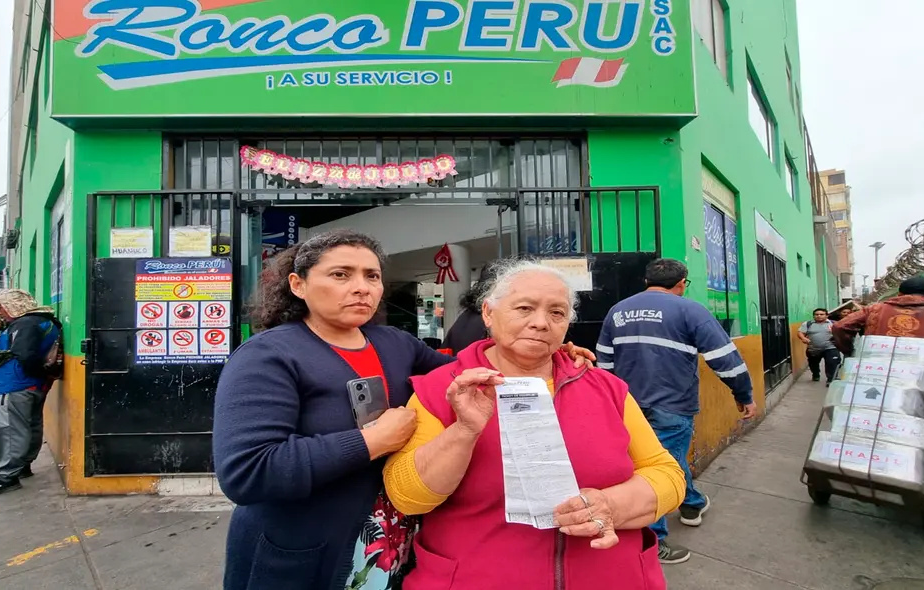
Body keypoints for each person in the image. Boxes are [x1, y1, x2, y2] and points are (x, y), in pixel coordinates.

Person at [212, 230, 595, 590]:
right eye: (341, 274)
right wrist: (370, 441)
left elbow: (469, 370)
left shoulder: (393, 343)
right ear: (298, 285)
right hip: (299, 553)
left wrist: (545, 351)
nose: (361, 287)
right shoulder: (268, 357)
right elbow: (248, 471)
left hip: (390, 547)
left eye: (372, 276)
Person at [383, 259, 684, 589]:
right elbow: (407, 496)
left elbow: (667, 474)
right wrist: (464, 432)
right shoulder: (444, 388)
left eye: (557, 313)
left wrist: (611, 505)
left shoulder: (605, 387)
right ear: (488, 313)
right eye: (524, 308)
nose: (541, 323)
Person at [594, 258, 756, 565]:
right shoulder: (690, 310)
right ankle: (654, 541)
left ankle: (691, 502)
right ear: (681, 283)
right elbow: (724, 357)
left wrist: (610, 402)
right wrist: (743, 395)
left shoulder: (618, 311)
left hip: (628, 405)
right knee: (661, 467)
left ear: (647, 281)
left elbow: (604, 362)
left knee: (659, 460)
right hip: (672, 404)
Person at [0, 290, 62, 502]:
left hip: (16, 385)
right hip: (32, 386)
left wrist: (35, 374)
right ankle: (21, 466)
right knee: (30, 425)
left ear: (14, 305)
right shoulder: (45, 322)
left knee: (8, 430)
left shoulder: (25, 324)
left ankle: (4, 476)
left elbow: (25, 355)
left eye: (1, 308)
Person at [832, 276, 924, 356]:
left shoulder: (875, 309)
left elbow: (839, 326)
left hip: (878, 366)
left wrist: (850, 351)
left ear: (899, 294)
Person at [798, 308, 841, 384]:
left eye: (821, 314)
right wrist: (803, 338)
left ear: (827, 315)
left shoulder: (834, 323)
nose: (819, 316)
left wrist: (836, 334)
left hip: (831, 347)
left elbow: (842, 333)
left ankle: (831, 380)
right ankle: (816, 374)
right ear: (813, 316)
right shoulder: (808, 324)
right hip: (813, 348)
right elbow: (800, 332)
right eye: (816, 314)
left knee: (832, 363)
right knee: (813, 364)